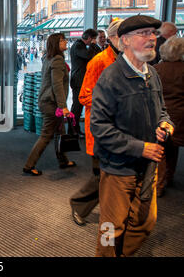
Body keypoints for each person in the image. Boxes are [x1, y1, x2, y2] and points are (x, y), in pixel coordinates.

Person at [91, 15, 174, 257]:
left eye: (153, 33)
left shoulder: (153, 75)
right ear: (125, 41)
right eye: (144, 33)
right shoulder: (111, 78)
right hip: (118, 168)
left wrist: (166, 126)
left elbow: (163, 113)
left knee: (144, 223)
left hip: (148, 167)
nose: (151, 39)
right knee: (110, 228)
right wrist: (141, 148)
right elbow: (99, 127)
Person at [69, 19, 123, 226]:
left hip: (122, 130)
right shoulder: (99, 61)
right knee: (102, 175)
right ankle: (79, 203)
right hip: (102, 130)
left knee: (117, 175)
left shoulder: (128, 62)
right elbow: (84, 97)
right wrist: (115, 101)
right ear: (113, 38)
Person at [23, 33, 76, 176]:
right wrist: (63, 106)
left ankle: (63, 160)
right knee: (46, 135)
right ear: (56, 44)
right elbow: (57, 85)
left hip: (47, 101)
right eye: (62, 40)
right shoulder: (57, 60)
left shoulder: (48, 57)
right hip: (52, 103)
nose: (65, 42)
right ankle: (29, 165)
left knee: (60, 132)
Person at [155, 36, 184, 197]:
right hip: (180, 116)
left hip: (160, 115)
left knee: (161, 150)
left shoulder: (156, 69)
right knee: (174, 147)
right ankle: (169, 177)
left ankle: (159, 185)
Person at [70, 28, 100, 135]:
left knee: (78, 106)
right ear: (89, 38)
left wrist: (93, 45)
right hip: (78, 80)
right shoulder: (78, 46)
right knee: (77, 106)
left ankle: (75, 129)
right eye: (94, 39)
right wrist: (92, 45)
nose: (95, 41)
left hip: (81, 80)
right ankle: (73, 129)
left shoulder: (82, 46)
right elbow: (88, 56)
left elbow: (97, 54)